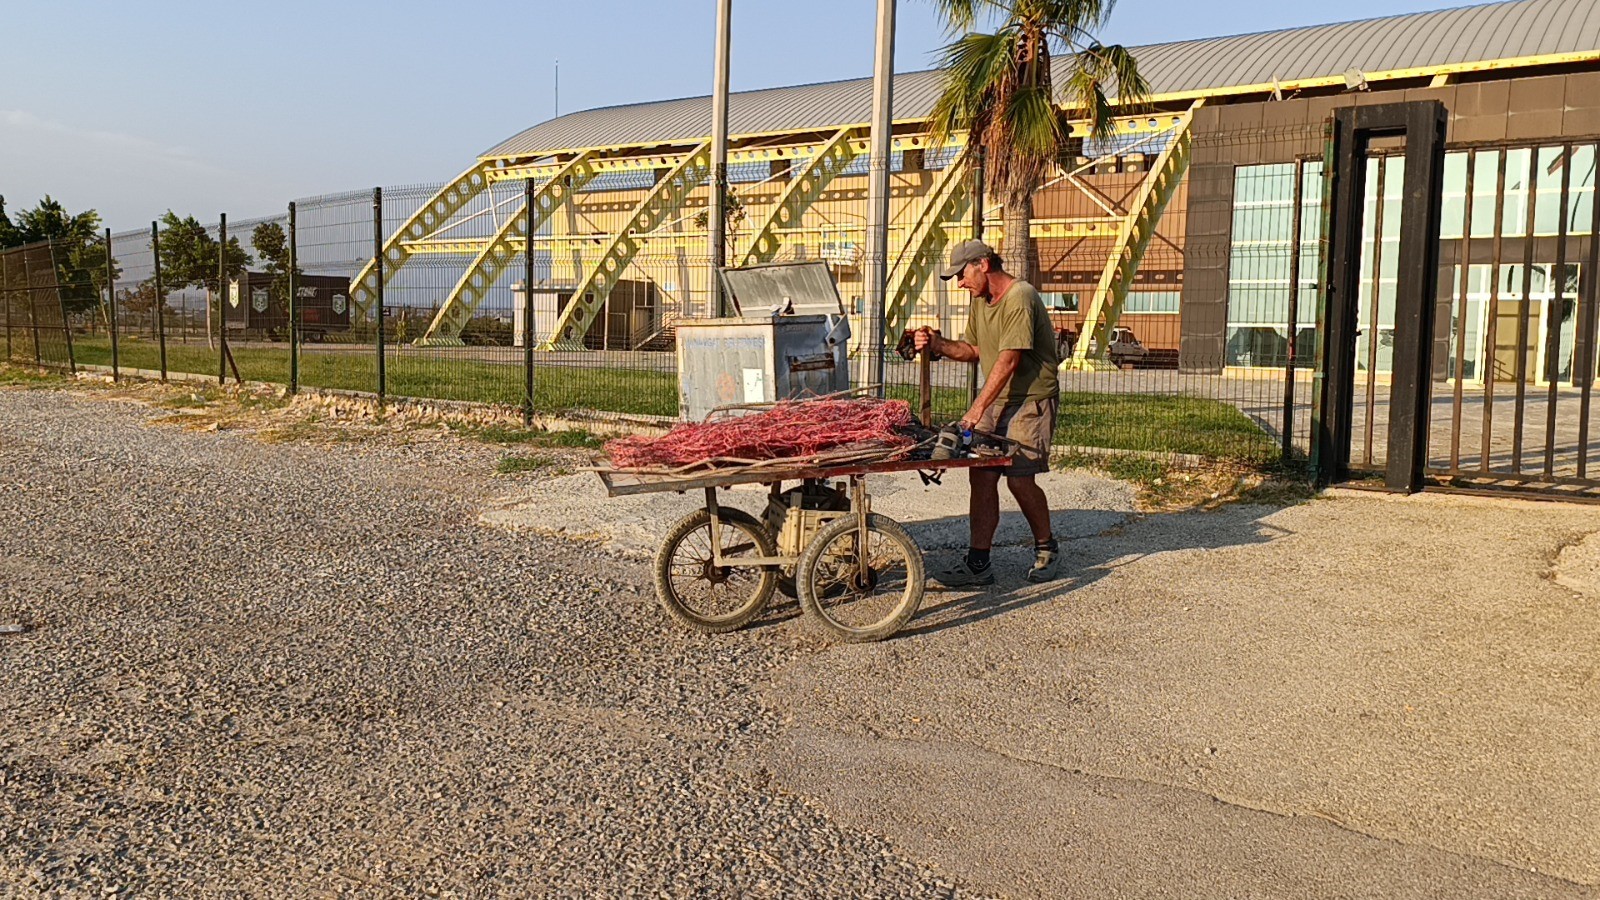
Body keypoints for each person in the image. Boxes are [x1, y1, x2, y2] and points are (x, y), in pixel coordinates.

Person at [913, 239, 1061, 587]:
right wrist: (938, 345)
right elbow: (975, 350)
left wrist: (974, 411)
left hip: (1030, 399)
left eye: (961, 275)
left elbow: (1010, 359)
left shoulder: (1020, 296)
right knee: (981, 475)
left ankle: (1048, 548)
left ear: (982, 264)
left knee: (1020, 479)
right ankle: (978, 564)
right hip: (998, 399)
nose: (960, 284)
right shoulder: (981, 301)